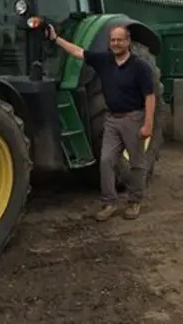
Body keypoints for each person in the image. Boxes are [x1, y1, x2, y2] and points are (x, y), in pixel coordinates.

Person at [46, 24, 156, 221]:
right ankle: (109, 203)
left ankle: (134, 202)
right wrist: (56, 39)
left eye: (119, 40)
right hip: (112, 120)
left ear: (128, 42)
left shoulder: (140, 67)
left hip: (133, 119)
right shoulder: (105, 61)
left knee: (137, 163)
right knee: (105, 161)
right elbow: (78, 52)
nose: (115, 43)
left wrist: (148, 124)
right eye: (112, 40)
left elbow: (149, 96)